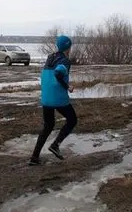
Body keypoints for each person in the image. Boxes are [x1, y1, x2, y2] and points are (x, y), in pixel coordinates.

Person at [29, 35, 77, 166]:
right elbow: (58, 73)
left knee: (48, 126)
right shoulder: (65, 61)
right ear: (68, 47)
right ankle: (55, 145)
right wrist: (68, 86)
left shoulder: (50, 57)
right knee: (73, 120)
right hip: (58, 98)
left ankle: (34, 157)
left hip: (46, 98)